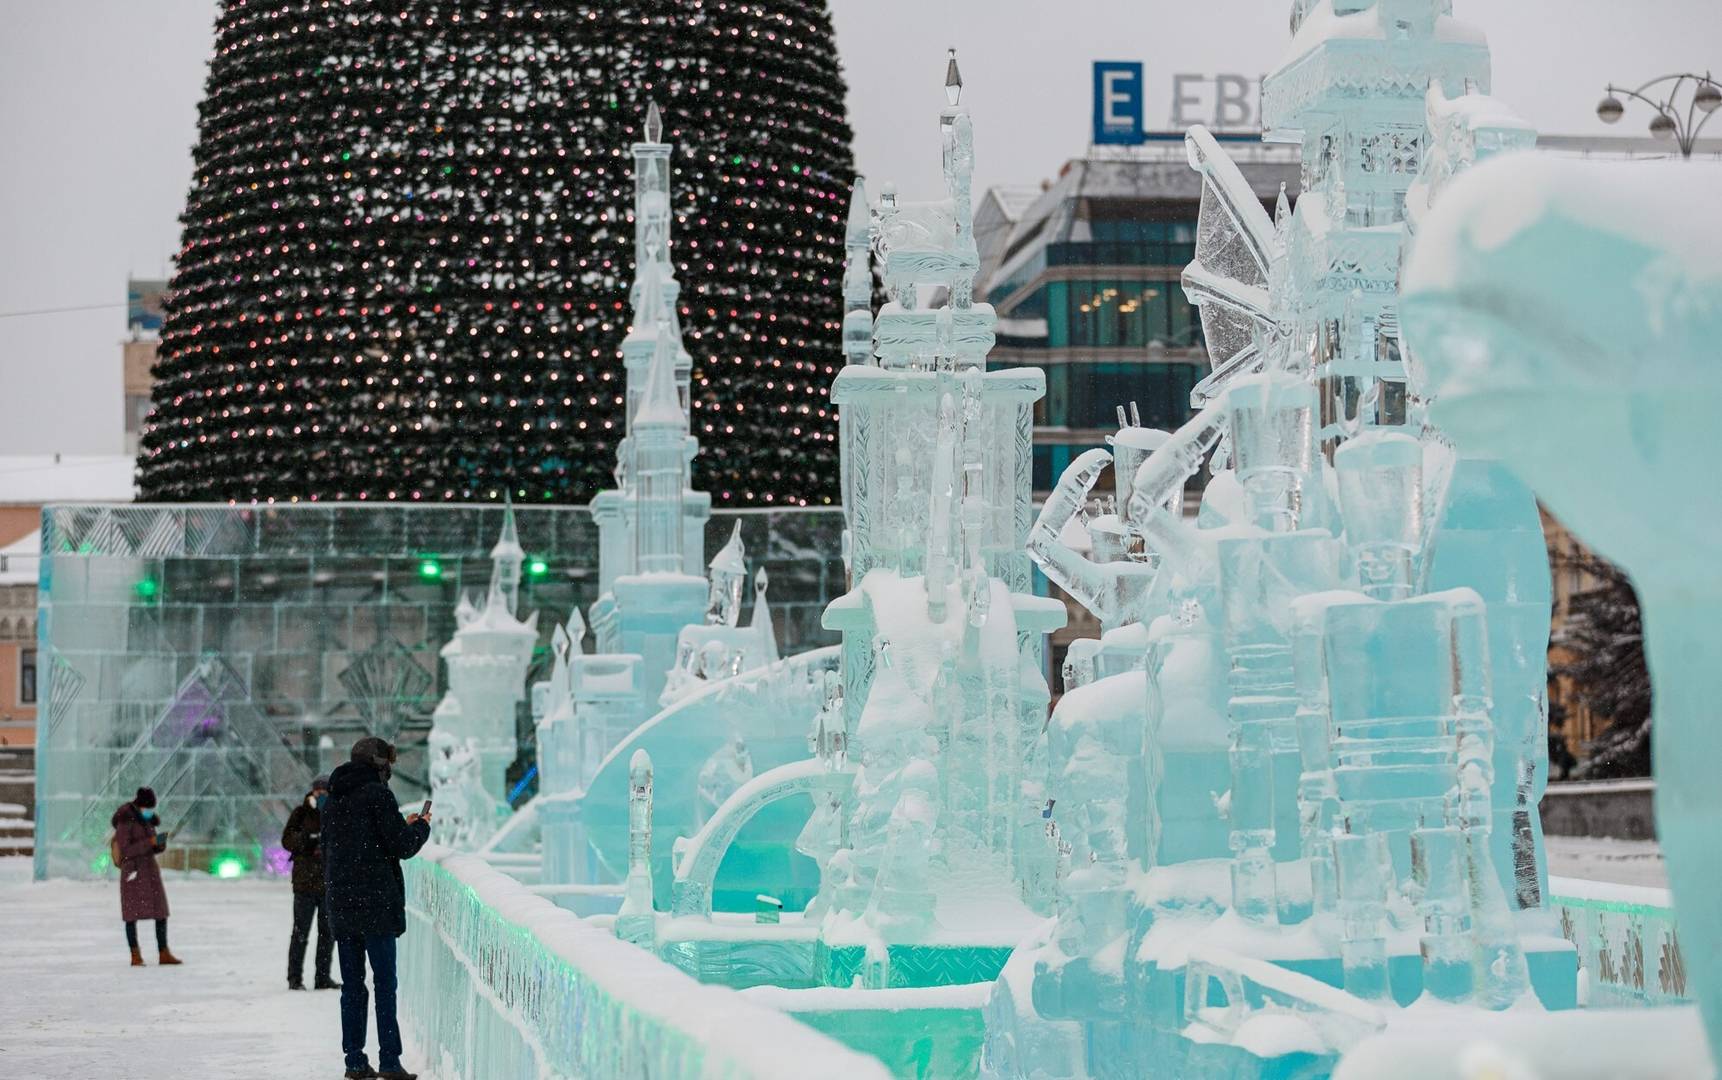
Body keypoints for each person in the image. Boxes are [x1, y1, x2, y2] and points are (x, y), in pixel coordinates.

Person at [322, 736, 431, 1080]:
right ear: (380, 764)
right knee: (385, 984)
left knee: (352, 986)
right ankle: (389, 1061)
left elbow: (333, 848)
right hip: (376, 907)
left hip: (342, 904)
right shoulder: (378, 795)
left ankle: (354, 1061)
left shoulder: (333, 799)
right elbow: (401, 845)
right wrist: (422, 827)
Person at [282, 774, 340, 991]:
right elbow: (287, 840)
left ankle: (322, 977)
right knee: (300, 933)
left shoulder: (335, 813)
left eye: (325, 791)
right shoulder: (301, 813)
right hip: (305, 884)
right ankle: (294, 978)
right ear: (312, 792)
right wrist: (307, 839)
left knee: (328, 934)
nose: (321, 795)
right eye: (318, 791)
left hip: (327, 883)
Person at [112, 786, 182, 967]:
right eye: (148, 808)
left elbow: (148, 845)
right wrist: (148, 842)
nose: (150, 811)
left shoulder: (147, 821)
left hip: (149, 871)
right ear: (140, 805)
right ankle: (135, 955)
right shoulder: (125, 821)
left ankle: (163, 952)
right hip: (133, 872)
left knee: (161, 911)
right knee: (130, 914)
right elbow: (126, 849)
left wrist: (159, 844)